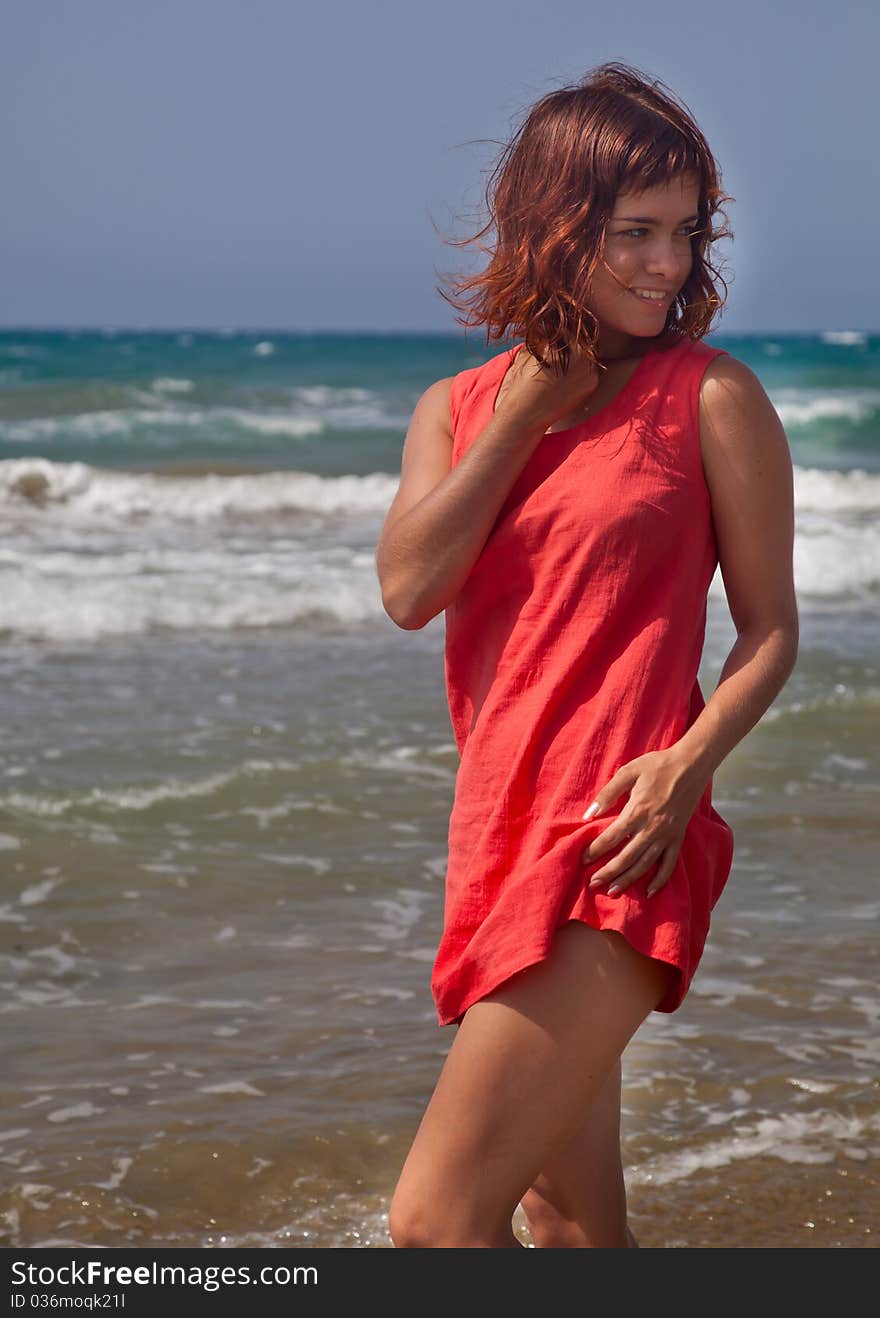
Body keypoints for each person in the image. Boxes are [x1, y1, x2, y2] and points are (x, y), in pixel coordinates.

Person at [374, 62, 798, 1248]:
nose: (669, 265)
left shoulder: (709, 396)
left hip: (624, 838)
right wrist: (522, 411)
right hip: (498, 834)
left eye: (685, 233)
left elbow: (771, 630)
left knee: (436, 1221)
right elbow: (410, 588)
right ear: (557, 232)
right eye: (634, 234)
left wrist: (686, 767)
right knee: (569, 1223)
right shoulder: (454, 409)